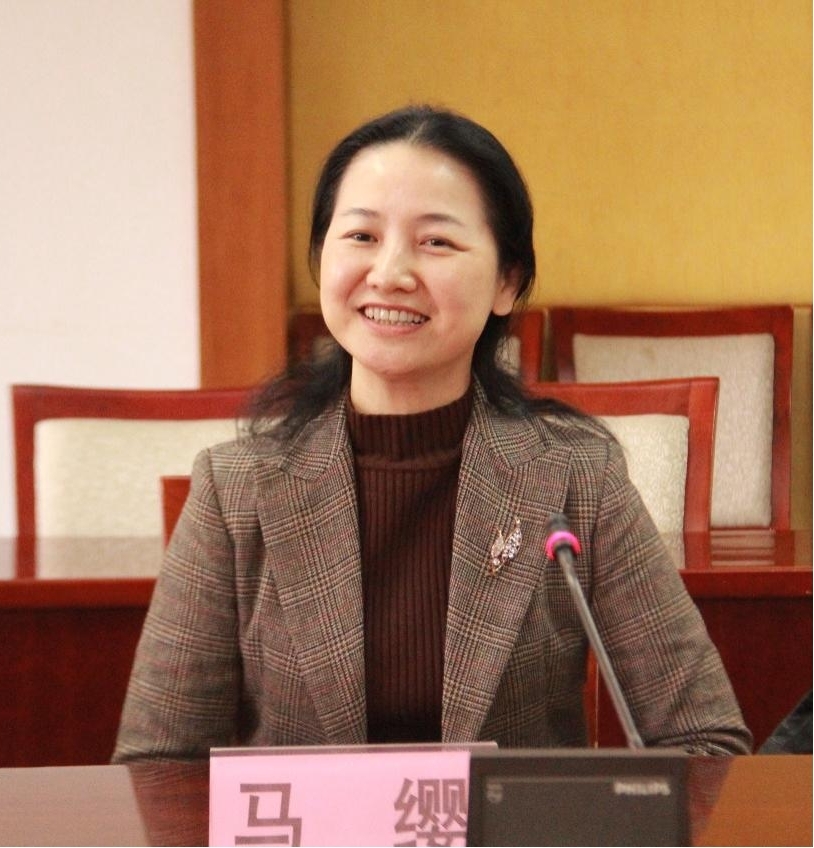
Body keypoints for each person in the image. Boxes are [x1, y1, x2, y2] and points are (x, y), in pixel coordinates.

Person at [113, 105, 752, 760]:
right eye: (361, 236)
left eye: (436, 242)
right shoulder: (237, 488)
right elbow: (154, 766)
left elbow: (706, 741)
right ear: (322, 259)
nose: (390, 273)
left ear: (507, 283)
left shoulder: (575, 477)